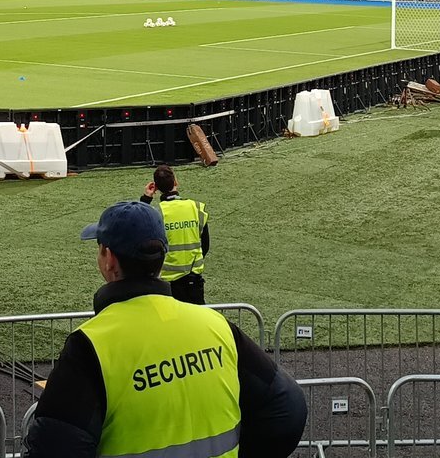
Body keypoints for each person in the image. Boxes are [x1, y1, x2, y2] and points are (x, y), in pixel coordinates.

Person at [25, 201, 305, 458]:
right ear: (161, 257)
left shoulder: (89, 346)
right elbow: (287, 410)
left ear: (109, 259)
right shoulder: (216, 326)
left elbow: (53, 447)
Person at [139, 165, 209, 305]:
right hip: (193, 280)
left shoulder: (157, 212)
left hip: (166, 284)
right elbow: (205, 245)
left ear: (156, 188)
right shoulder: (196, 207)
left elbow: (141, 231)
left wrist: (146, 199)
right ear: (176, 182)